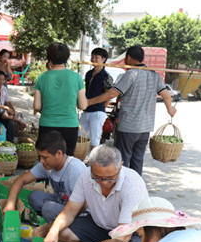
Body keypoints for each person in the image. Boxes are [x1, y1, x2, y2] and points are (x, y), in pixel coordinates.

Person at [41, 145, 149, 242]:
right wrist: (53, 232)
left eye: (110, 178)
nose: (104, 183)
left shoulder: (132, 185)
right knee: (60, 231)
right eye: (97, 177)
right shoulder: (86, 176)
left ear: (120, 166)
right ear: (90, 167)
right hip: (99, 226)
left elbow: (123, 235)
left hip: (130, 232)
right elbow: (70, 211)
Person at [86, 45, 177, 175]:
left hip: (129, 127)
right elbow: (166, 95)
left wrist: (89, 101)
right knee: (138, 160)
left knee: (122, 160)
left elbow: (111, 94)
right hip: (145, 128)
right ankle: (135, 189)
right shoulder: (154, 75)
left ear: (128, 58)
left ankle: (123, 189)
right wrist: (170, 110)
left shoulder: (130, 74)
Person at [3, 131, 86, 224]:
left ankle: (61, 228)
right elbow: (20, 180)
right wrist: (10, 204)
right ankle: (51, 221)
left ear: (59, 153)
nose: (41, 161)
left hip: (80, 213)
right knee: (35, 196)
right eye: (40, 157)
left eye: (45, 157)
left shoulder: (75, 168)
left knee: (49, 208)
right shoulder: (46, 165)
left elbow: (84, 205)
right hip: (62, 204)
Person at [34, 42, 87, 156]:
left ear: (49, 58)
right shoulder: (76, 78)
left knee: (46, 161)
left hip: (47, 124)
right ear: (67, 57)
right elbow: (83, 105)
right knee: (66, 163)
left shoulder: (41, 78)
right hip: (70, 126)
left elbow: (37, 106)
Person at [80, 48, 114, 151]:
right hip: (86, 110)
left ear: (103, 59)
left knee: (95, 140)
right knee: (79, 137)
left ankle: (93, 163)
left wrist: (104, 105)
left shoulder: (106, 76)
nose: (93, 59)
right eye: (92, 56)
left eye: (96, 57)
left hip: (98, 112)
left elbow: (109, 94)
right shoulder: (89, 73)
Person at [0, 70, 26, 142]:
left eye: (3, 79)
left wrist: (13, 111)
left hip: (2, 114)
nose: (1, 81)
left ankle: (10, 143)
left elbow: (8, 102)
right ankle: (17, 120)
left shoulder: (4, 89)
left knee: (10, 123)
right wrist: (5, 107)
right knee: (0, 110)